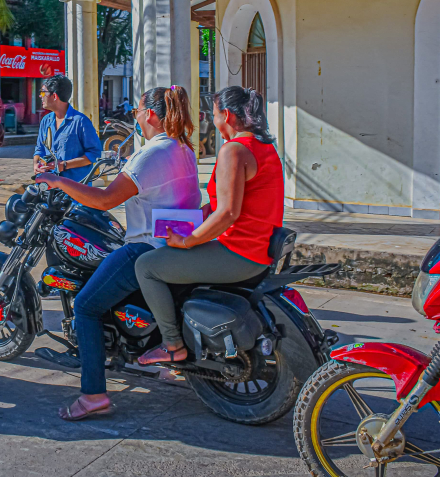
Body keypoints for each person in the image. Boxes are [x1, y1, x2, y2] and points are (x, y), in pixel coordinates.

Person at [35, 86, 201, 421]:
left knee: (86, 306)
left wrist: (58, 181)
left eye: (137, 111)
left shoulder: (151, 153)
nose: (135, 117)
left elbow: (104, 200)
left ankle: (93, 395)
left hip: (146, 247)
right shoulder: (182, 147)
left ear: (150, 115)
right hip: (176, 242)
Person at [135, 85, 284, 365]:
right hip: (257, 249)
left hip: (239, 253)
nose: (213, 121)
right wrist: (191, 222)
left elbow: (227, 213)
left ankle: (172, 345)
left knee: (146, 266)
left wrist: (186, 241)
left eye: (214, 115)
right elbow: (223, 206)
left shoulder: (234, 150)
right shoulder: (264, 147)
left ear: (226, 115)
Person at [33, 75, 102, 181]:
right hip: (49, 184)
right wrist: (36, 164)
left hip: (76, 187)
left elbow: (95, 154)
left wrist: (65, 165)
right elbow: (39, 149)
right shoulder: (46, 121)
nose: (40, 96)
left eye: (43, 92)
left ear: (54, 96)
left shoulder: (80, 121)